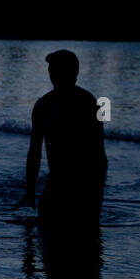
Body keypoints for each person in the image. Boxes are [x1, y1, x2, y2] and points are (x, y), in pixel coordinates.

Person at [20, 49, 106, 228]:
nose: (50, 73)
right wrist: (30, 192)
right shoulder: (43, 105)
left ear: (71, 73)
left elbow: (99, 154)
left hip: (83, 185)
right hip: (57, 185)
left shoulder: (90, 104)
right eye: (50, 69)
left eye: (55, 69)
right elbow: (34, 153)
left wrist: (96, 195)